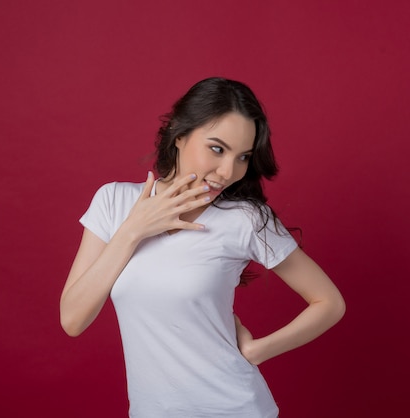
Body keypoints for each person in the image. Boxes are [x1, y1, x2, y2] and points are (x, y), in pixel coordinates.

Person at [60, 77, 345, 417]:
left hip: (234, 407)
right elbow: (73, 320)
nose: (228, 172)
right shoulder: (113, 202)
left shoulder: (245, 219)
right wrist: (133, 230)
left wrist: (259, 351)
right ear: (180, 137)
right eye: (217, 148)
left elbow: (330, 303)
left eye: (243, 157)